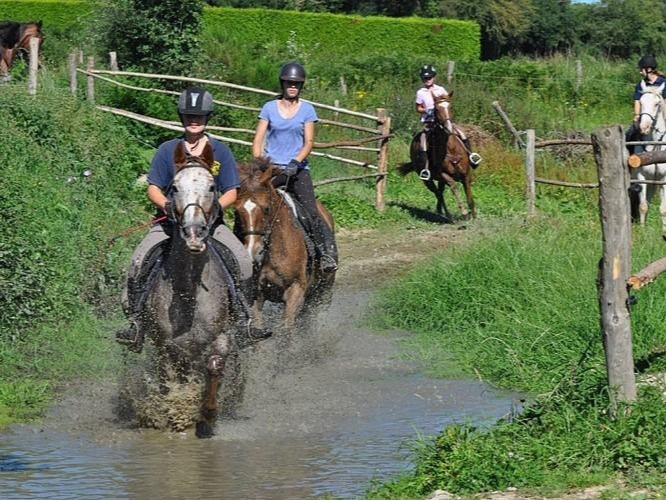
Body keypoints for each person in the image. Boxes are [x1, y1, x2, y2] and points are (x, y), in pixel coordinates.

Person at [116, 86, 269, 352]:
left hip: (211, 224)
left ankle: (245, 322)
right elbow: (153, 186)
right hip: (170, 224)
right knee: (138, 261)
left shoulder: (219, 151)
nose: (193, 121)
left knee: (243, 261)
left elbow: (232, 190)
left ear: (207, 118)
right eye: (188, 116)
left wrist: (214, 211)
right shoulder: (168, 150)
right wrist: (167, 205)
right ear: (182, 118)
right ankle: (136, 324)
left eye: (198, 116)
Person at [252, 62, 338, 273]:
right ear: (283, 84)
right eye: (289, 83)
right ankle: (243, 251)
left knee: (311, 211)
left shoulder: (307, 110)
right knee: (252, 207)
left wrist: (296, 162)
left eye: (296, 84)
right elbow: (258, 139)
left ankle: (325, 252)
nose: (292, 87)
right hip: (272, 169)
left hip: (297, 171)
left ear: (300, 86)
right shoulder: (269, 108)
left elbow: (309, 142)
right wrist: (259, 162)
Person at [415, 64, 482, 178]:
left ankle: (471, 155)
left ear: (434, 78)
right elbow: (418, 108)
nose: (427, 80)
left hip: (443, 120)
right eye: (425, 78)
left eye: (429, 78)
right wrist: (427, 109)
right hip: (430, 122)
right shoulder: (421, 92)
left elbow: (447, 101)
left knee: (461, 133)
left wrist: (443, 109)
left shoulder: (440, 89)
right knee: (423, 143)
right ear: (422, 79)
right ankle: (426, 169)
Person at [626, 55, 666, 154]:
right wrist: (636, 115)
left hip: (661, 114)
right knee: (629, 133)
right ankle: (629, 158)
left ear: (648, 69)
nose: (640, 72)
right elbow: (637, 100)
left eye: (641, 69)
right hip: (645, 115)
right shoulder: (640, 84)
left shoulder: (664, 83)